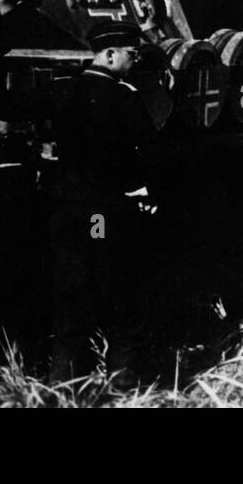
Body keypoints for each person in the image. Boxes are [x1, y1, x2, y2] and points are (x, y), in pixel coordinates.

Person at [47, 20, 164, 386]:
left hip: (66, 212)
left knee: (71, 300)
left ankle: (63, 384)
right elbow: (150, 155)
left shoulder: (64, 91)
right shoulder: (125, 97)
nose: (135, 61)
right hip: (104, 215)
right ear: (110, 55)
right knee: (121, 293)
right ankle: (124, 381)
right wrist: (146, 192)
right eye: (132, 54)